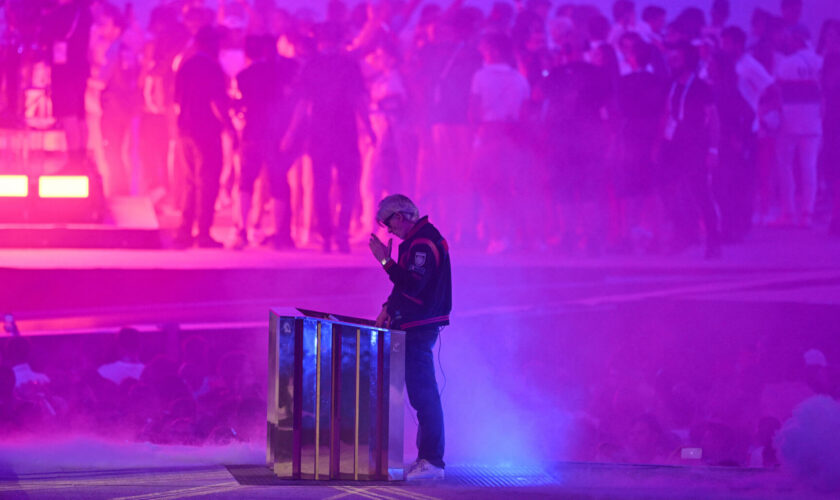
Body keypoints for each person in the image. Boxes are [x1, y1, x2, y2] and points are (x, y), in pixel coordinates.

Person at [368, 194, 451, 481]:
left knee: (424, 394)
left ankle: (432, 461)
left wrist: (384, 261)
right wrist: (388, 307)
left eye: (388, 223)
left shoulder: (423, 244)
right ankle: (427, 459)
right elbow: (405, 288)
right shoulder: (417, 241)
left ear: (400, 217)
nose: (388, 230)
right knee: (420, 394)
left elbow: (412, 285)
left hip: (419, 327)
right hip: (413, 324)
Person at [173, 25, 237, 248]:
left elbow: (176, 99)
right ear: (210, 44)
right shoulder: (212, 68)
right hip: (206, 131)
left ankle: (184, 232)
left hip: (184, 130)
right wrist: (229, 126)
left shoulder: (186, 66)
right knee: (208, 181)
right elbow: (217, 102)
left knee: (190, 182)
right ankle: (203, 234)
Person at [233, 34, 298, 250]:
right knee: (277, 182)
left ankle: (242, 230)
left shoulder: (243, 76)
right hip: (274, 135)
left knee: (246, 182)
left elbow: (240, 105)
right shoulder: (279, 74)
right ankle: (279, 234)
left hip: (251, 133)